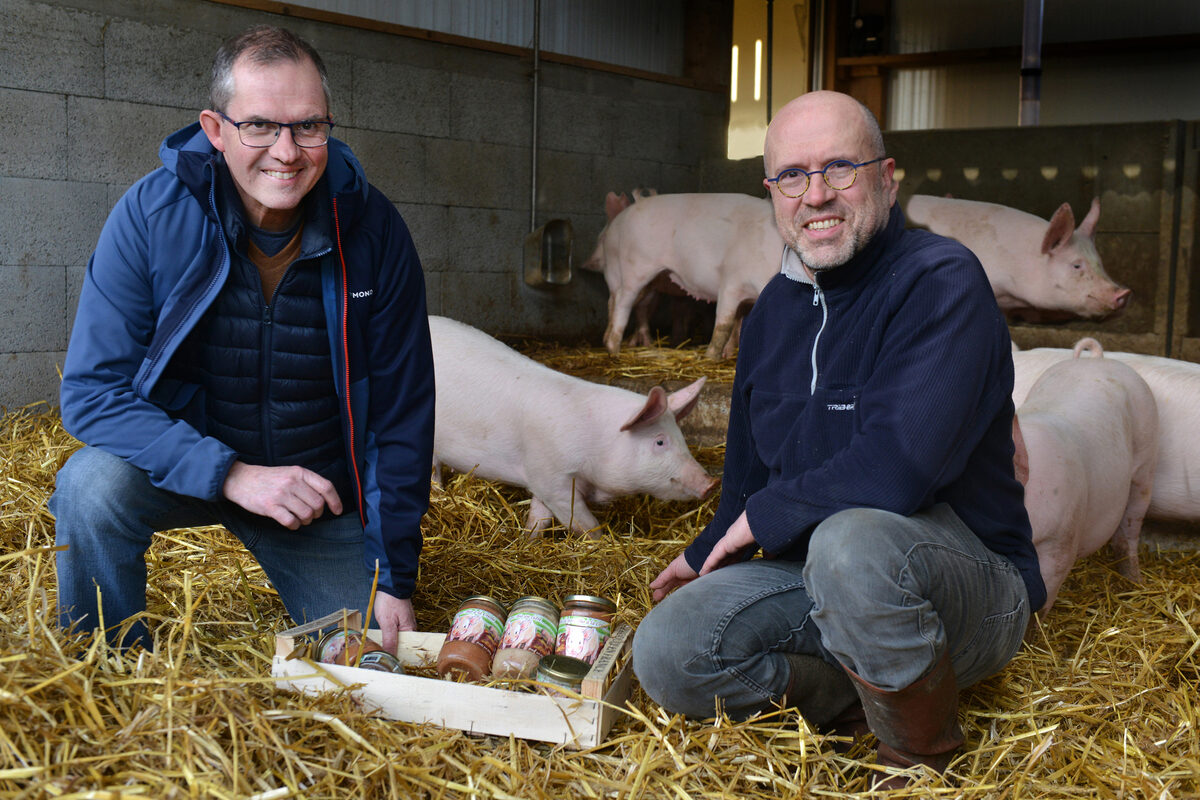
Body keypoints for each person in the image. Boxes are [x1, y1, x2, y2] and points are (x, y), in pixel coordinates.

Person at [631, 91, 1045, 786]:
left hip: (965, 585)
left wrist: (762, 521)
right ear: (771, 194)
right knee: (669, 650)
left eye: (840, 168)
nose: (815, 194)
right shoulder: (771, 316)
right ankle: (856, 701)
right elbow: (749, 472)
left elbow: (899, 469)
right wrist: (705, 549)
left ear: (888, 177)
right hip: (820, 575)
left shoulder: (941, 281)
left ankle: (920, 763)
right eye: (792, 175)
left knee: (850, 543)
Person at [51, 25, 434, 654]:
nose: (286, 152)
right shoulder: (152, 215)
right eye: (259, 125)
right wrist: (230, 473)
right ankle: (107, 663)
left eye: (308, 126)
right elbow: (92, 394)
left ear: (328, 126)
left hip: (314, 498)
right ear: (215, 129)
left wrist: (393, 577)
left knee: (370, 658)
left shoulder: (374, 232)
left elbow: (402, 414)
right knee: (91, 484)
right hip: (184, 465)